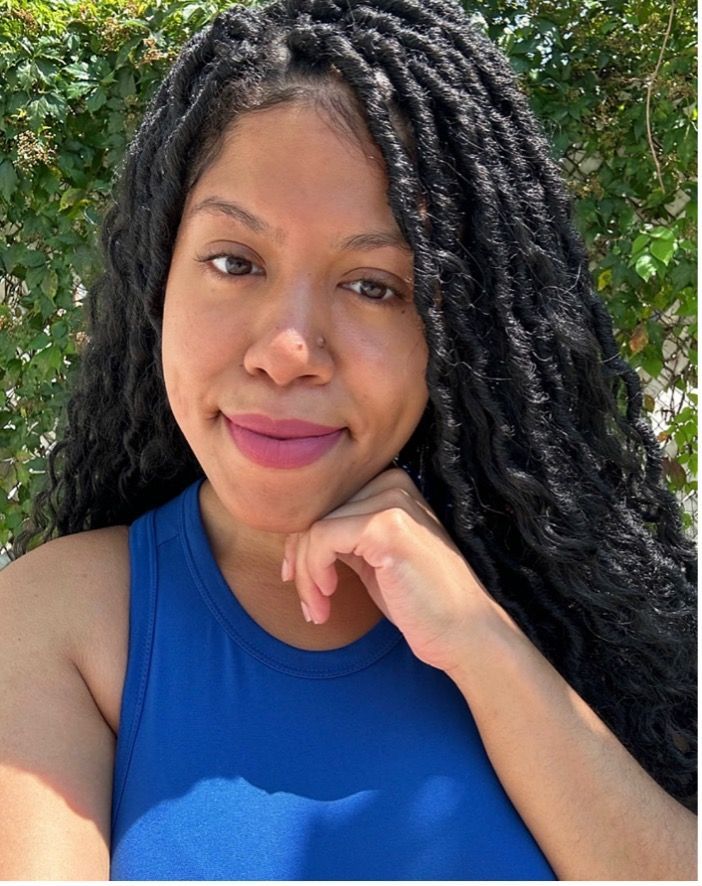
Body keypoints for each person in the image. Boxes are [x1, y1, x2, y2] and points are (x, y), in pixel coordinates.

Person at [1, 0, 696, 879]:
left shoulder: (578, 616)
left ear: (459, 332)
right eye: (234, 262)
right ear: (158, 281)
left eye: (373, 285)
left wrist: (485, 645)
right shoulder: (61, 622)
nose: (288, 351)